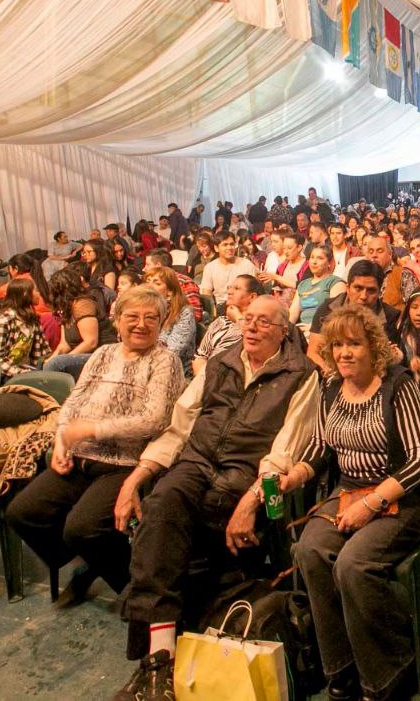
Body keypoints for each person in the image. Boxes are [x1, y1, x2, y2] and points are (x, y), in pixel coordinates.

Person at [113, 296, 318, 698]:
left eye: (263, 322)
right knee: (162, 504)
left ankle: (156, 658)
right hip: (197, 459)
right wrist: (136, 477)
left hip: (244, 471)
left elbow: (286, 448)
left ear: (282, 330)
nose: (252, 328)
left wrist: (254, 499)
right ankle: (162, 661)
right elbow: (180, 425)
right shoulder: (221, 362)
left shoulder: (300, 373)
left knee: (176, 536)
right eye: (248, 320)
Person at [286, 305, 420, 701]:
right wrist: (295, 475)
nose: (344, 353)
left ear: (374, 348)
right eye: (337, 345)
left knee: (354, 565)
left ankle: (387, 674)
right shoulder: (332, 386)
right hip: (347, 492)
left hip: (398, 498)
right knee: (310, 550)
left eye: (354, 343)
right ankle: (341, 668)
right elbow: (320, 445)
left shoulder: (398, 385)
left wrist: (370, 504)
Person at [7, 285, 185, 605]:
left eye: (151, 318)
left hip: (125, 462)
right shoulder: (102, 354)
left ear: (161, 324)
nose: (141, 324)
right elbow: (74, 401)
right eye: (132, 316)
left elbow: (155, 420)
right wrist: (62, 439)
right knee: (23, 512)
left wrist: (92, 428)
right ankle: (95, 563)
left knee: (82, 528)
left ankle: (132, 588)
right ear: (116, 321)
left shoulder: (165, 360)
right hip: (79, 456)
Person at [307, 261, 404, 374]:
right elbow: (313, 352)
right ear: (348, 288)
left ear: (379, 292)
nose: (363, 296)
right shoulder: (327, 309)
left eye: (371, 291)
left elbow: (386, 356)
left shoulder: (389, 316)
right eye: (358, 288)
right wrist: (332, 375)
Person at [45, 268, 118, 379]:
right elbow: (64, 344)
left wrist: (64, 358)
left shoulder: (82, 304)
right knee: (44, 362)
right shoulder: (66, 309)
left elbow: (91, 342)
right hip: (82, 353)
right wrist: (50, 359)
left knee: (56, 364)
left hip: (101, 354)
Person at [192, 275, 261, 375]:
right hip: (206, 378)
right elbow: (200, 356)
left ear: (252, 297)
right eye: (229, 288)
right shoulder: (220, 321)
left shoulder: (258, 326)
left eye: (236, 288)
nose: (229, 292)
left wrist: (238, 318)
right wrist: (204, 380)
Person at [0, 279, 51, 377]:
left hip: (26, 371)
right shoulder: (4, 320)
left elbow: (43, 350)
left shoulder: (31, 319)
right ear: (25, 293)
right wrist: (21, 374)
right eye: (36, 290)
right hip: (2, 374)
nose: (39, 294)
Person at [142, 266, 197, 375]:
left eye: (156, 283)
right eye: (147, 281)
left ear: (170, 291)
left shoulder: (184, 312)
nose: (149, 286)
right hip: (144, 365)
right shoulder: (143, 309)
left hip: (174, 371)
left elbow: (173, 351)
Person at [292, 246, 346, 329]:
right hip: (302, 329)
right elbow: (293, 313)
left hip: (323, 329)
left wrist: (313, 327)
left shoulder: (335, 282)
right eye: (312, 257)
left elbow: (335, 314)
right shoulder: (303, 284)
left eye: (320, 258)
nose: (314, 262)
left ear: (329, 263)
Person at [145, 249, 203, 322]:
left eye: (147, 264)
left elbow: (195, 315)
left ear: (158, 265)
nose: (144, 269)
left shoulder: (184, 282)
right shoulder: (148, 282)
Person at [199, 232, 258, 300]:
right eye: (225, 245)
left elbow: (255, 291)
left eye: (232, 244)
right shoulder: (210, 268)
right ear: (216, 248)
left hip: (243, 305)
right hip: (220, 307)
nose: (229, 248)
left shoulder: (247, 264)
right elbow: (206, 295)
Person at [361, 235, 405, 310]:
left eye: (380, 251)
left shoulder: (403, 274)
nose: (374, 255)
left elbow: (413, 306)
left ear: (390, 254)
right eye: (371, 252)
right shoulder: (361, 275)